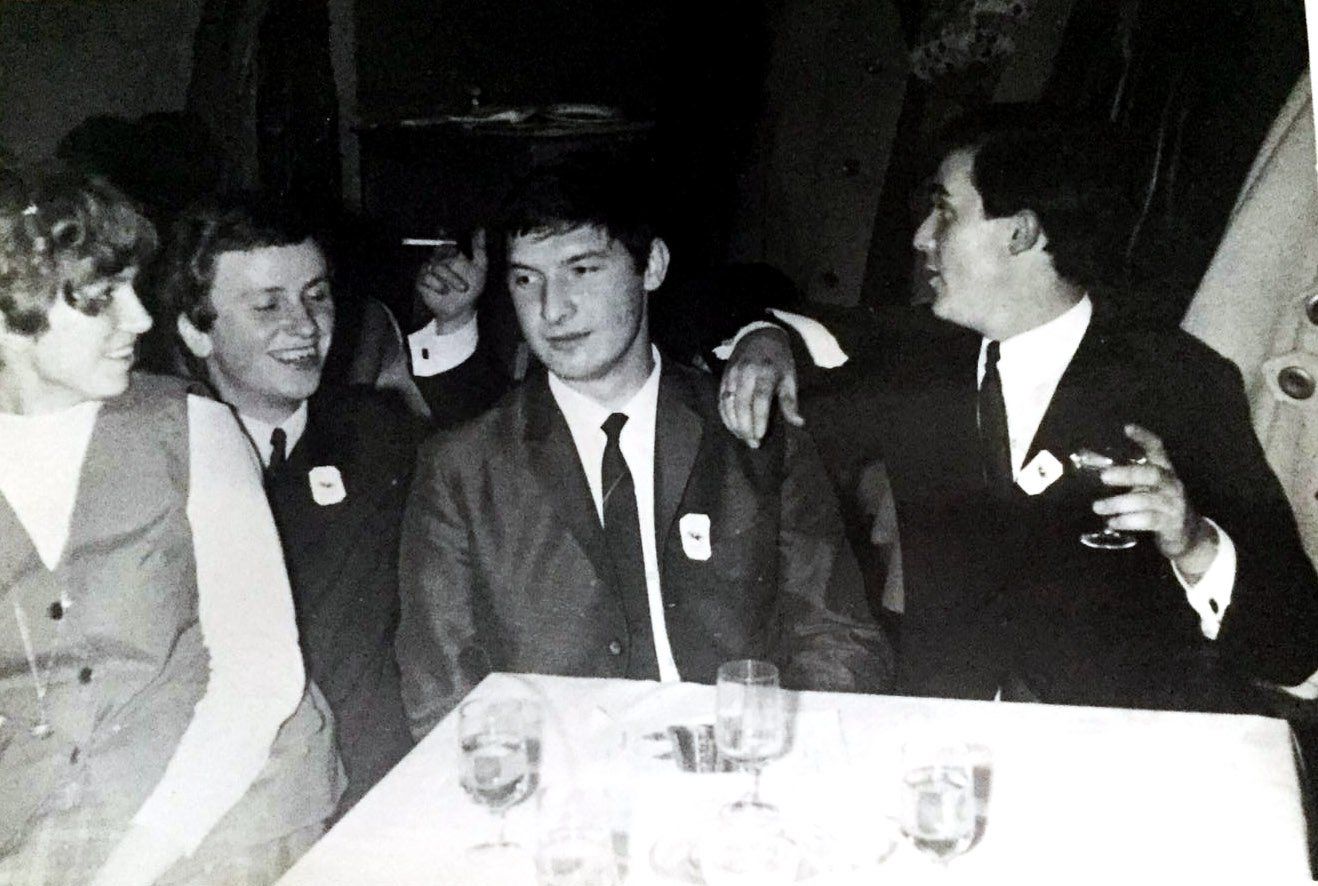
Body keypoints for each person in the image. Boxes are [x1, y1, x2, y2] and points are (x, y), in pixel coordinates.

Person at [719, 119, 1318, 711]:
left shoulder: (1179, 381)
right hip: (946, 736)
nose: (922, 237)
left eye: (945, 212)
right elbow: (783, 322)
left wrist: (1193, 542)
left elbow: (1297, 649)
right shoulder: (921, 357)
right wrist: (763, 339)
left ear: (1021, 232)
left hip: (1113, 748)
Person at [394, 155, 893, 738]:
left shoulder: (749, 433)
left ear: (651, 265)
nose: (552, 309)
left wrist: (771, 756)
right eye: (527, 279)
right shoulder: (463, 468)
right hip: (560, 777)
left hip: (739, 764)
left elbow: (840, 641)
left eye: (582, 270)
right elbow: (442, 699)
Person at [0, 167, 341, 884]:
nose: (141, 319)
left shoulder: (191, 428)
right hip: (39, 832)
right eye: (103, 299)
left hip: (232, 820)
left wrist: (128, 870)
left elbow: (259, 678)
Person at [149, 196, 421, 814]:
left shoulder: (381, 438)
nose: (305, 326)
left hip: (373, 795)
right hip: (220, 810)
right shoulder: (157, 465)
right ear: (196, 329)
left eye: (316, 296)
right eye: (268, 305)